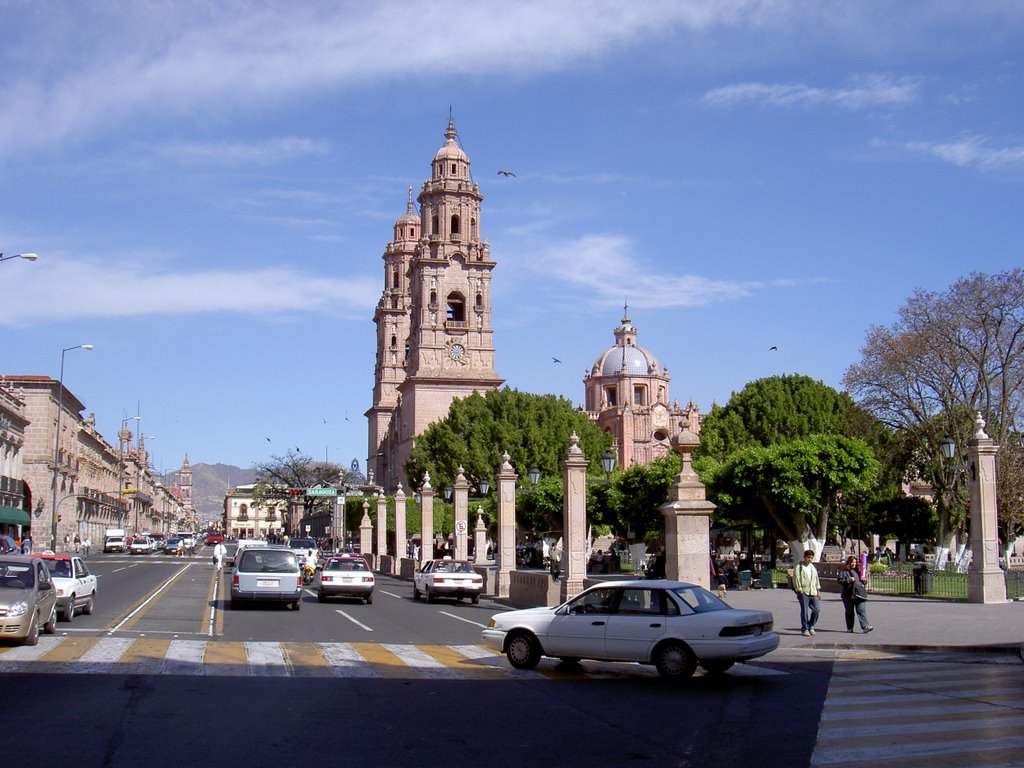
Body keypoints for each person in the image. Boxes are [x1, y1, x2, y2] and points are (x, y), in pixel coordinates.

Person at [838, 556, 873, 633]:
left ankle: (865, 626)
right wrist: (848, 580)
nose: (854, 564)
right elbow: (840, 581)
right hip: (848, 595)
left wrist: (864, 581)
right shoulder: (844, 571)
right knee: (849, 612)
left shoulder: (858, 571)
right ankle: (850, 628)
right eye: (852, 562)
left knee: (861, 610)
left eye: (855, 562)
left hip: (859, 594)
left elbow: (862, 581)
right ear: (848, 563)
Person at [793, 549, 821, 637]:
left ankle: (810, 625)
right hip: (803, 591)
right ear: (804, 557)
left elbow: (816, 579)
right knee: (804, 611)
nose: (810, 559)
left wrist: (818, 590)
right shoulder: (799, 567)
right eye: (808, 557)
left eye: (811, 558)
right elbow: (796, 579)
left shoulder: (813, 567)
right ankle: (805, 628)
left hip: (813, 591)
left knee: (816, 610)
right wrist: (799, 589)